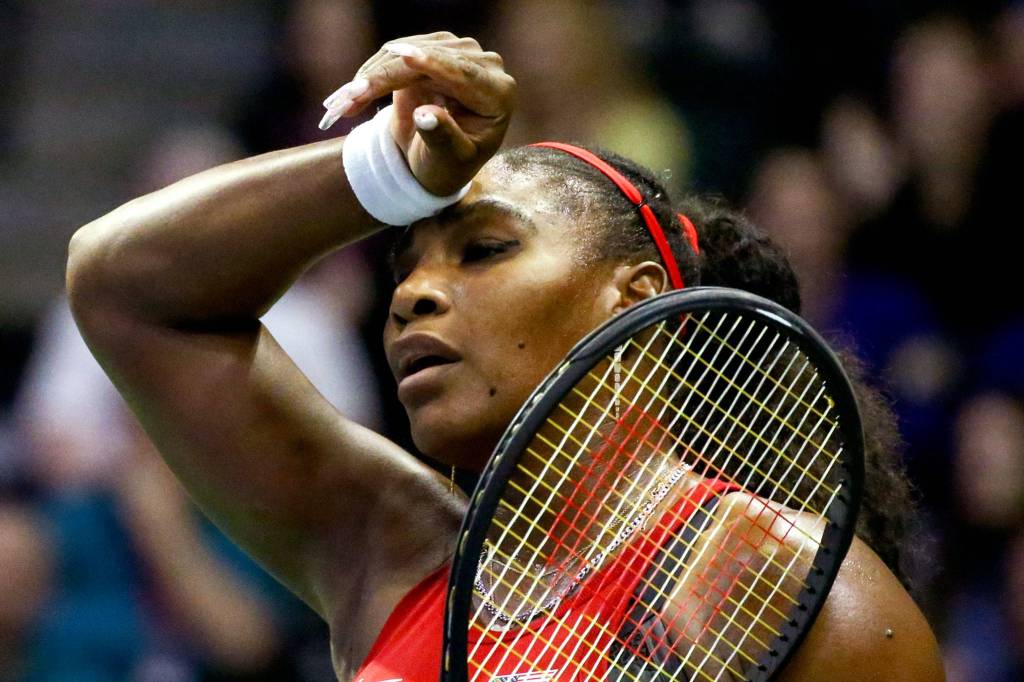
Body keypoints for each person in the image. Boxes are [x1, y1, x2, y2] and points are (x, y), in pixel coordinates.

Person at [66, 32, 944, 680]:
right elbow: (126, 291)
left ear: (634, 300)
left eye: (483, 250)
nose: (412, 295)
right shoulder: (388, 552)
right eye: (402, 268)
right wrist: (390, 171)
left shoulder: (777, 583)